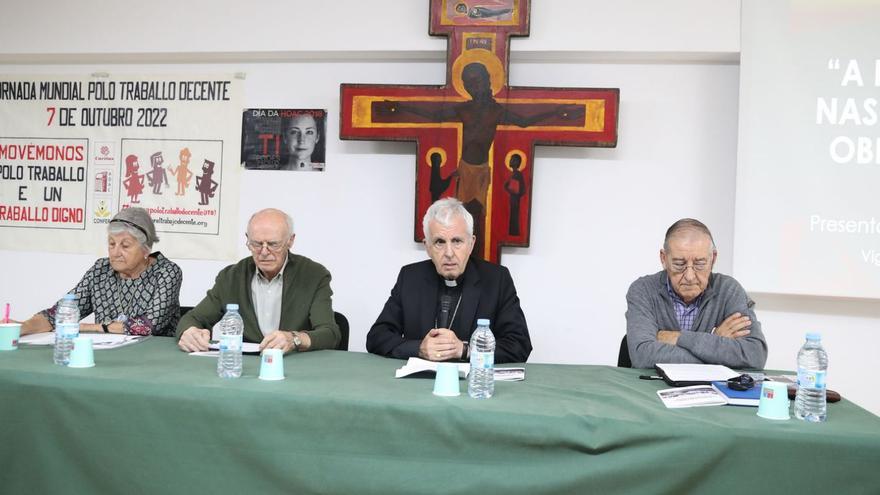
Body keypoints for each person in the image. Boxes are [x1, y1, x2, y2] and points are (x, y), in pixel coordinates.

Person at [367, 197, 531, 363]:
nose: (449, 253)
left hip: (472, 379)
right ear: (427, 247)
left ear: (471, 243)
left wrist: (465, 350)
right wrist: (419, 348)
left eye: (457, 241)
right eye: (439, 242)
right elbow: (377, 337)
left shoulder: (497, 280)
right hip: (420, 378)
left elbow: (520, 345)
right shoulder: (410, 278)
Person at [176, 208, 340, 353]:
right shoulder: (231, 277)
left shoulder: (313, 275)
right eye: (256, 244)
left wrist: (294, 339)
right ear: (247, 239)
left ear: (290, 241)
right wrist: (189, 333)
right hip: (245, 366)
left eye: (273, 244)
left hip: (294, 365)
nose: (264, 252)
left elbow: (330, 334)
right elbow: (193, 319)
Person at [625, 219, 768, 369]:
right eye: (679, 264)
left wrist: (678, 337)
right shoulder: (643, 290)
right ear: (664, 258)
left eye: (700, 264)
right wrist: (715, 344)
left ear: (713, 259)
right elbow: (643, 356)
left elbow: (754, 355)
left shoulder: (729, 290)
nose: (690, 276)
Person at [19, 207, 182, 336]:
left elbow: (149, 325)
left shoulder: (166, 272)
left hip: (153, 358)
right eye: (111, 244)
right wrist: (23, 327)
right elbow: (61, 313)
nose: (115, 252)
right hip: (107, 356)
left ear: (146, 249)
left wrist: (91, 328)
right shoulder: (100, 270)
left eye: (125, 246)